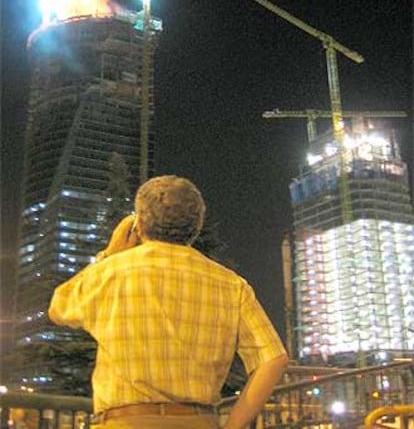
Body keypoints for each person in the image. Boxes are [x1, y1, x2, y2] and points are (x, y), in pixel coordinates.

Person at [49, 175, 288, 429]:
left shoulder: (111, 272)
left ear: (138, 224)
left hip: (125, 423)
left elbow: (58, 308)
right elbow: (273, 359)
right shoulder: (232, 285)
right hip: (200, 422)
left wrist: (109, 254)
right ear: (196, 227)